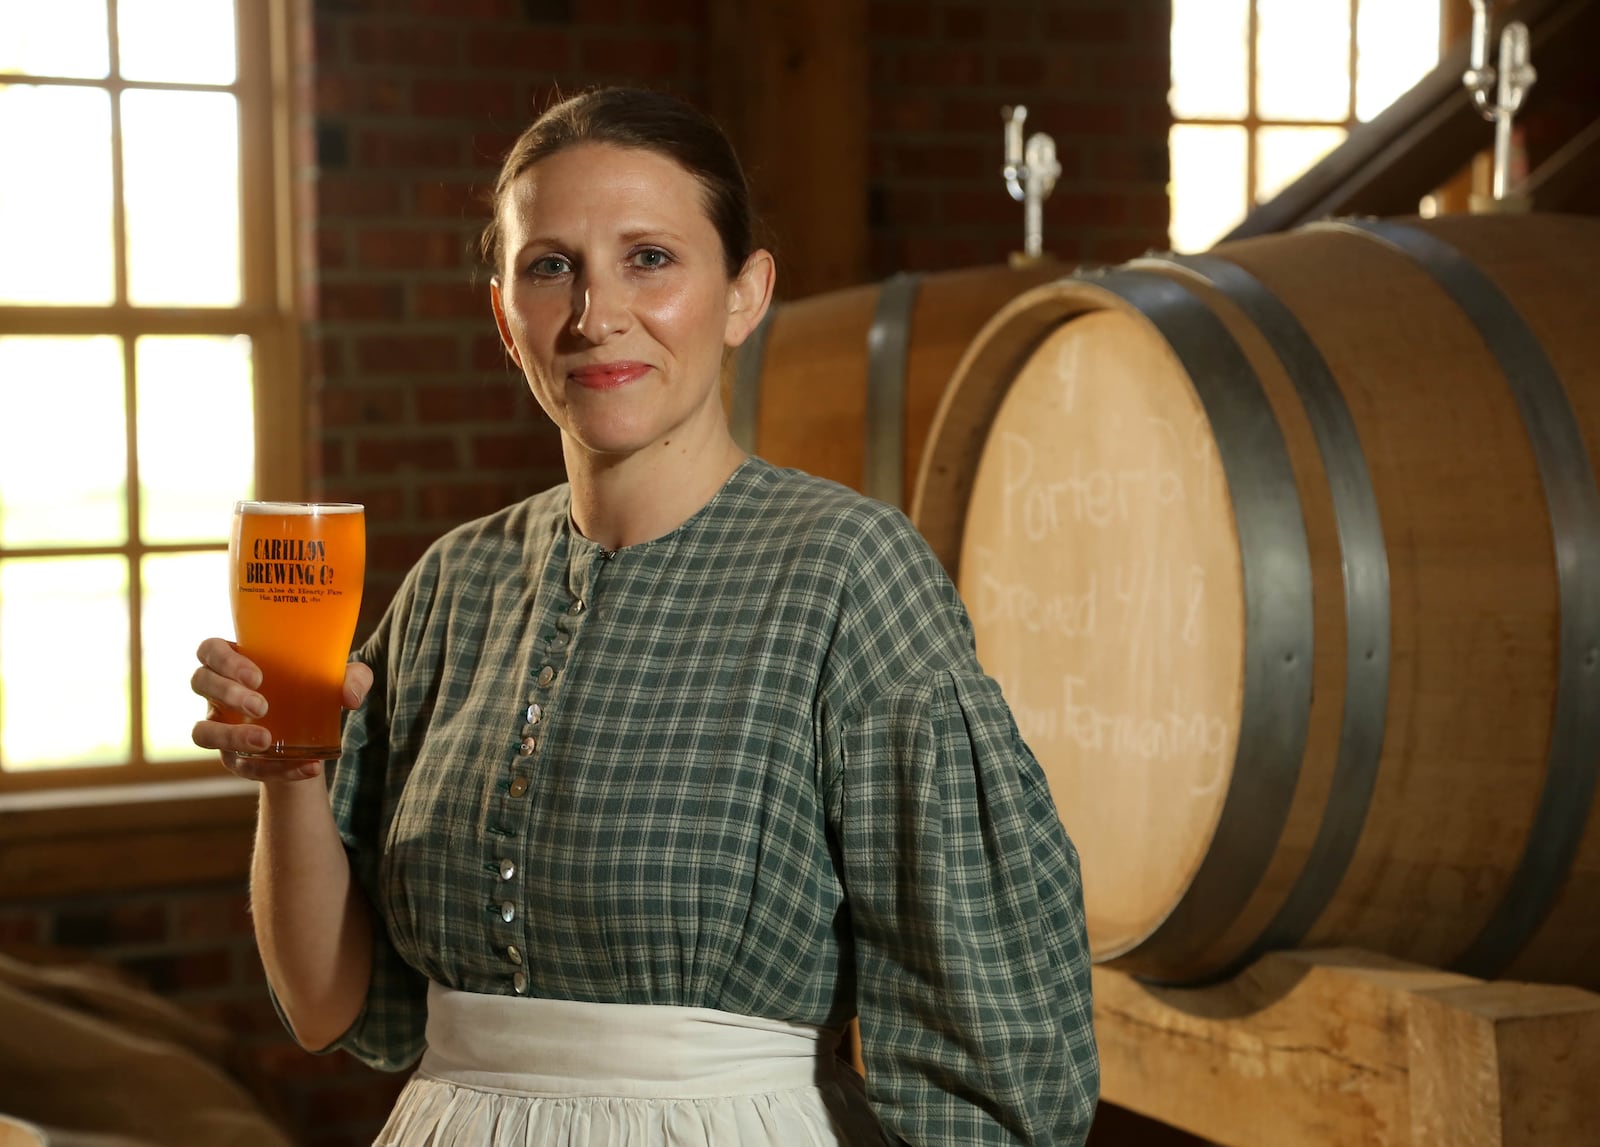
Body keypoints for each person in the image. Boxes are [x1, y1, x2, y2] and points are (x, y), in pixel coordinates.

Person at [192, 86, 1099, 1145]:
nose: (595, 313)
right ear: (505, 315)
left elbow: (990, 1027)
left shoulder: (847, 573)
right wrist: (292, 772)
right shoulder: (451, 585)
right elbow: (323, 1004)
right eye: (551, 266)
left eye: (650, 259)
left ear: (743, 295)